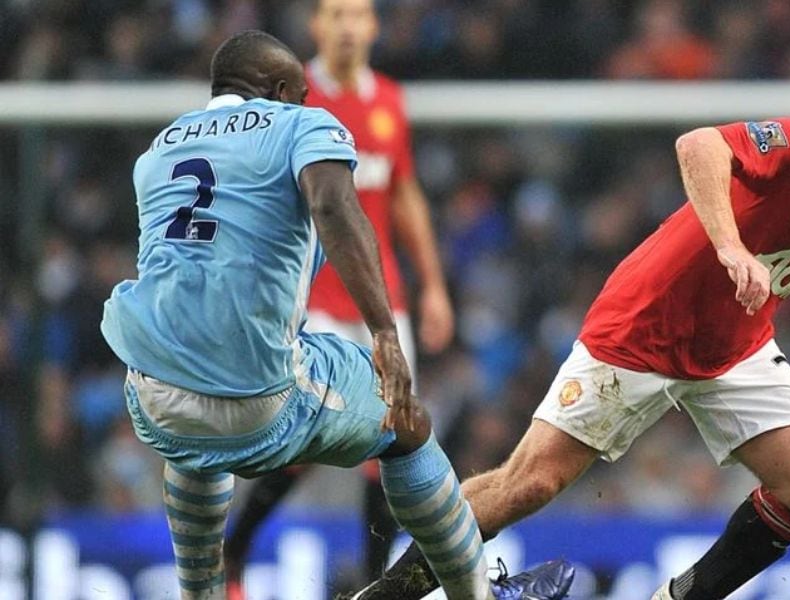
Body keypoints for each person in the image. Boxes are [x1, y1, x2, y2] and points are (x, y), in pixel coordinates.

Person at [366, 52, 790, 600]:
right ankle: (381, 596)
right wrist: (730, 247)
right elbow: (699, 145)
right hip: (644, 328)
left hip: (734, 347)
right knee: (529, 485)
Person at [99, 30, 573, 600]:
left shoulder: (158, 151)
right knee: (408, 425)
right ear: (279, 90)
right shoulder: (301, 123)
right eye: (299, 95)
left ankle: (201, 592)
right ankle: (478, 594)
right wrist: (384, 332)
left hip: (150, 392)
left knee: (194, 440)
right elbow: (330, 203)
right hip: (256, 397)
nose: (306, 104)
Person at [222, 0, 455, 592]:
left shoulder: (390, 103)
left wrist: (432, 287)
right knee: (298, 441)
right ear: (317, 26)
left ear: (373, 27)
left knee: (395, 440)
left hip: (384, 302)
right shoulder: (289, 98)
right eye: (336, 14)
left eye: (358, 15)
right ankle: (236, 550)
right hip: (315, 300)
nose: (348, 26)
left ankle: (373, 583)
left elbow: (403, 194)